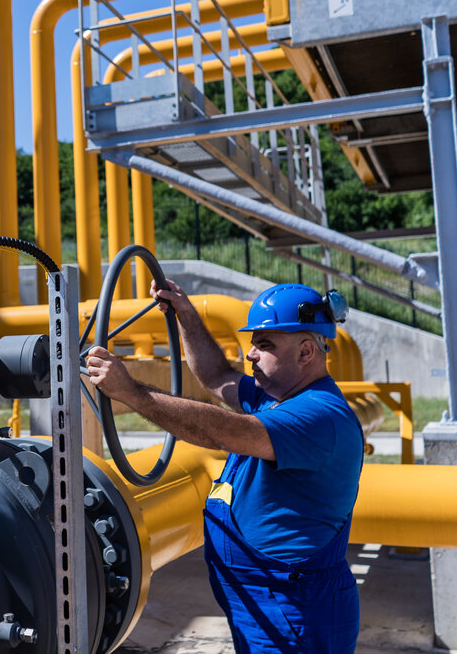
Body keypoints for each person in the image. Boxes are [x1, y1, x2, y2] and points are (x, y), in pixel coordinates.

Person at [85, 280, 363, 654]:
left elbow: (225, 432)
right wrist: (186, 314)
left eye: (264, 345)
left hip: (295, 607)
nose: (250, 355)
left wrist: (132, 393)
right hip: (266, 599)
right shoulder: (275, 398)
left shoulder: (320, 414)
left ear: (306, 351)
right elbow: (217, 375)